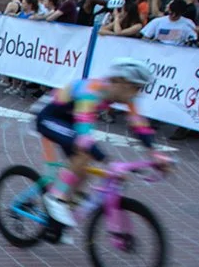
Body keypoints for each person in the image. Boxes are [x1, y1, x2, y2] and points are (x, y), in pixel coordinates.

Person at [35, 57, 167, 229]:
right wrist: (108, 161)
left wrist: (154, 153)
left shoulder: (125, 95)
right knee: (84, 153)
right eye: (136, 88)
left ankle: (59, 222)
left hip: (71, 123)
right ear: (121, 81)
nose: (138, 93)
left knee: (82, 172)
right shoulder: (91, 92)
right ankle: (55, 198)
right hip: (50, 118)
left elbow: (139, 125)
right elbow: (83, 138)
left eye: (141, 89)